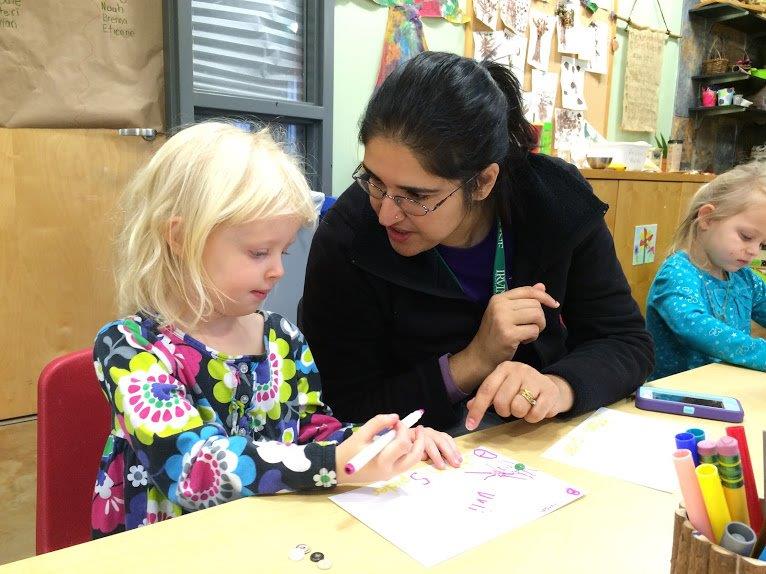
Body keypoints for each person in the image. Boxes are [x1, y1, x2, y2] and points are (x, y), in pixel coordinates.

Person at [91, 122, 460, 538]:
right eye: (258, 252)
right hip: (168, 547)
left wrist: (380, 442)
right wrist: (331, 464)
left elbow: (312, 429)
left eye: (282, 251)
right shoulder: (129, 347)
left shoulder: (282, 338)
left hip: (269, 538)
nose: (278, 270)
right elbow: (193, 469)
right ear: (180, 237)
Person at [300, 52, 654, 435]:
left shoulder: (555, 203)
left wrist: (557, 387)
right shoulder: (349, 237)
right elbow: (341, 408)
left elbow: (625, 341)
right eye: (374, 181)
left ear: (483, 182)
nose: (386, 214)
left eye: (416, 196)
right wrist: (472, 363)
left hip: (535, 439)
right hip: (415, 451)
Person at [646, 162, 766, 379]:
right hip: (675, 394)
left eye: (762, 244)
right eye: (747, 237)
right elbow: (694, 326)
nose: (754, 251)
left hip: (726, 388)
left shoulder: (744, 278)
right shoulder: (677, 273)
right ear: (707, 219)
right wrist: (761, 352)